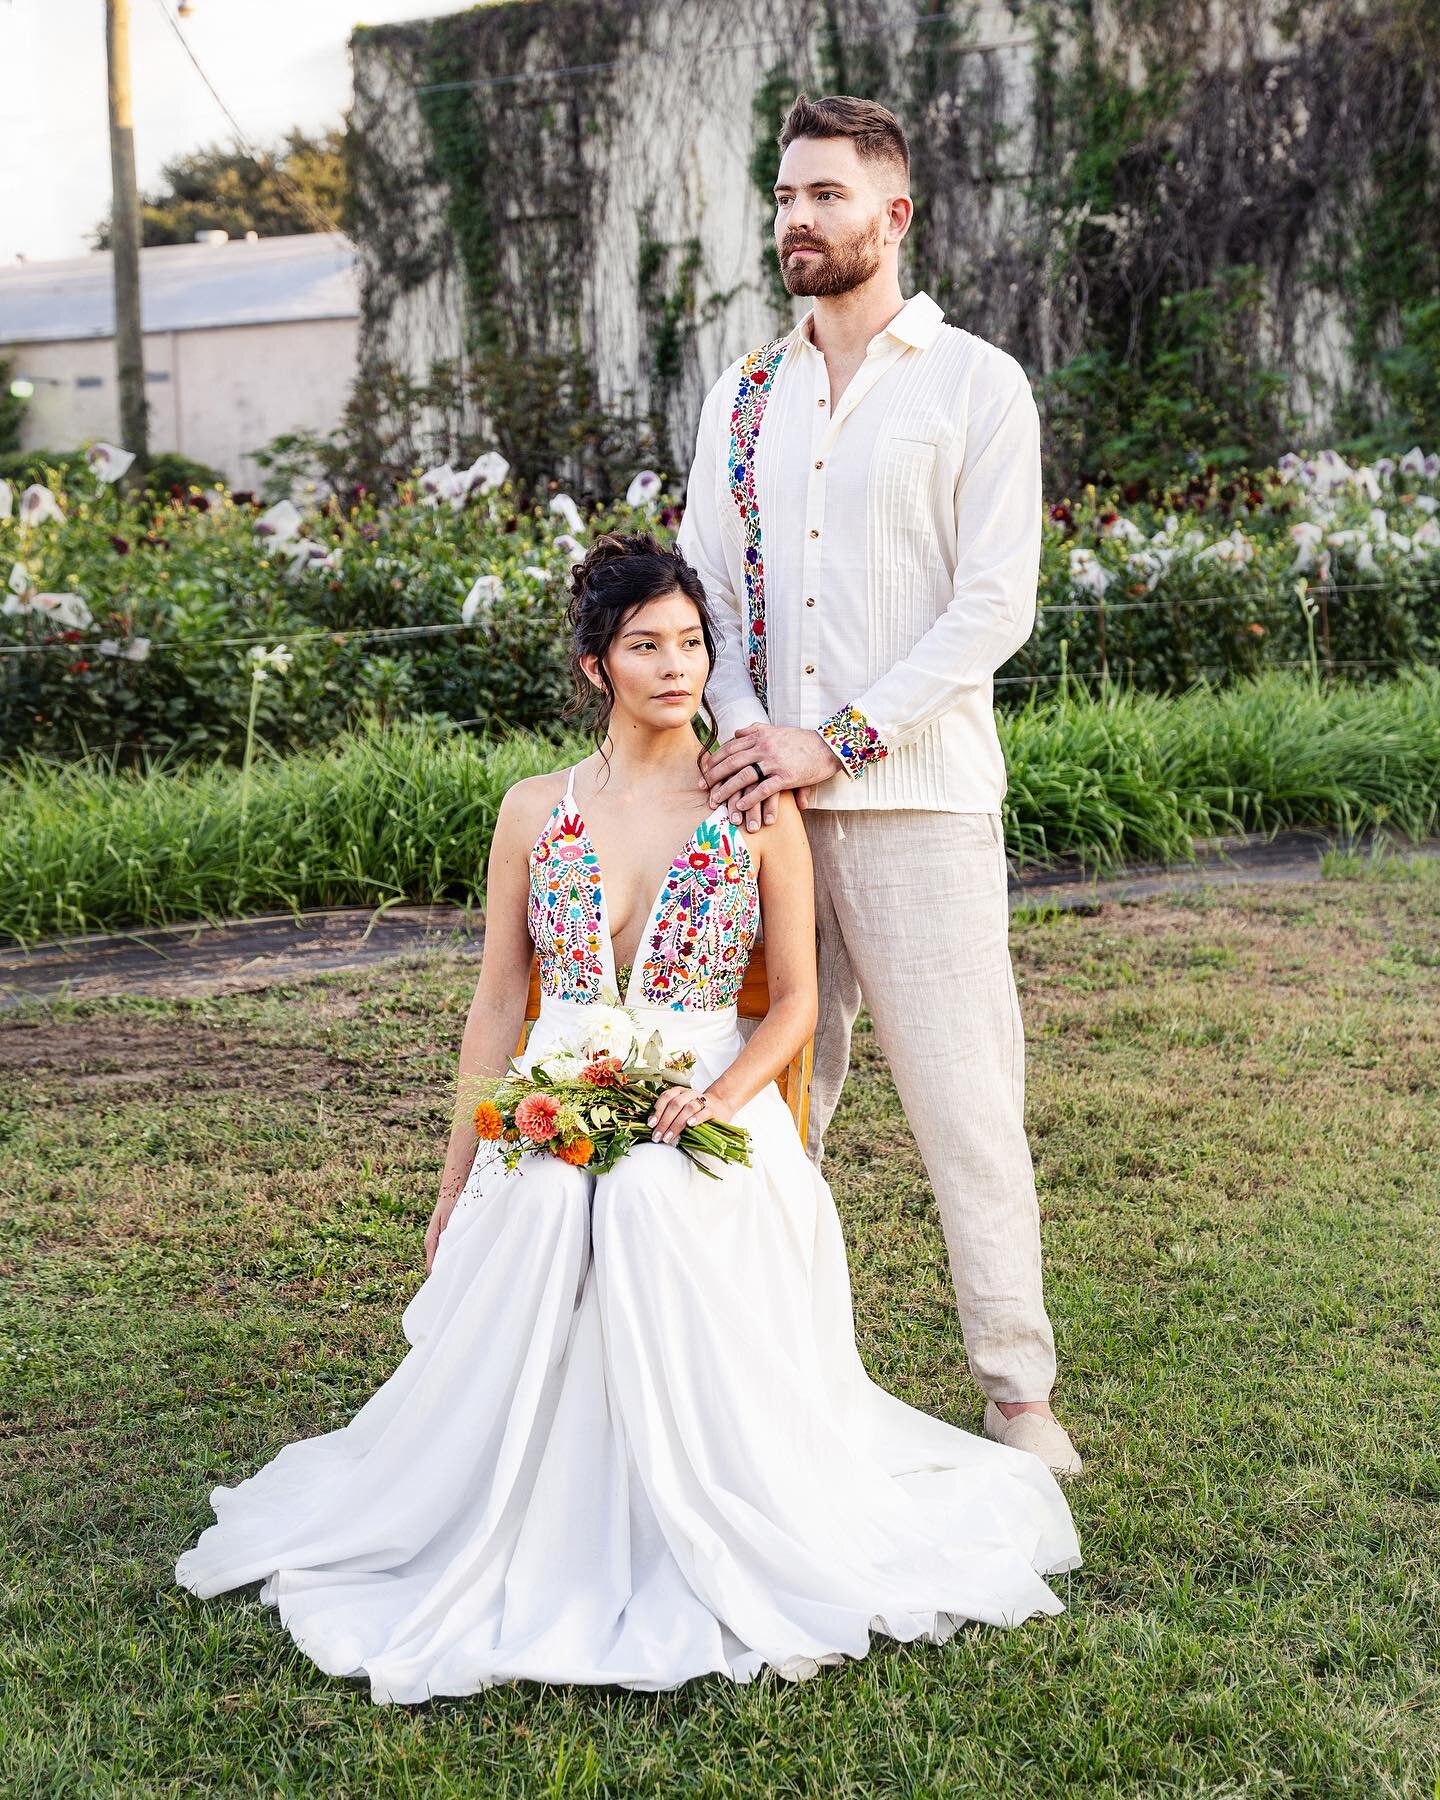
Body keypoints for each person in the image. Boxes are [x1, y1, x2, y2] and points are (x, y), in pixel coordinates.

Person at [174, 533, 1081, 1705]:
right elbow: (500, 1002)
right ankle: (529, 1528)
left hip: (710, 1089)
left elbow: (798, 1001)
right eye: (646, 644)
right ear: (596, 664)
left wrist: (718, 1096)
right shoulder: (530, 811)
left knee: (655, 1197)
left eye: (692, 643)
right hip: (555, 1089)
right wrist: (454, 1181)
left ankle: (698, 1516)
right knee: (548, 1198)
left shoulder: (754, 807)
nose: (677, 667)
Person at [675, 92, 1081, 1475]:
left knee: (967, 1110)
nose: (797, 221)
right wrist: (750, 741)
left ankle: (1018, 1395)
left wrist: (832, 739)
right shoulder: (740, 400)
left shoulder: (977, 384)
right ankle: (757, 1386)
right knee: (772, 1111)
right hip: (765, 816)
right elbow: (707, 600)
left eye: (826, 197)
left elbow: (991, 610)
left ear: (894, 215)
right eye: (785, 198)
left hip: (919, 808)